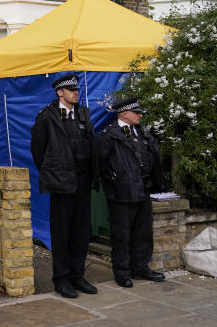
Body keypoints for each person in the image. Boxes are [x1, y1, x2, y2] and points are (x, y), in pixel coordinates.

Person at [30, 73, 98, 299]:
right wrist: (54, 173)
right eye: (71, 90)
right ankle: (61, 279)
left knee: (81, 232)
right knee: (61, 233)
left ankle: (77, 276)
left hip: (82, 181)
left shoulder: (82, 114)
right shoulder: (47, 117)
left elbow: (89, 145)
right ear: (60, 92)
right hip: (61, 183)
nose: (75, 92)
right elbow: (38, 150)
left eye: (77, 90)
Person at [96, 96, 167, 287]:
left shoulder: (142, 132)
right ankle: (122, 272)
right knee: (122, 234)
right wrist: (113, 183)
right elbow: (100, 163)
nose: (140, 115)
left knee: (143, 232)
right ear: (124, 114)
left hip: (142, 190)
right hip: (122, 192)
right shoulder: (109, 135)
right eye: (136, 112)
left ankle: (140, 267)